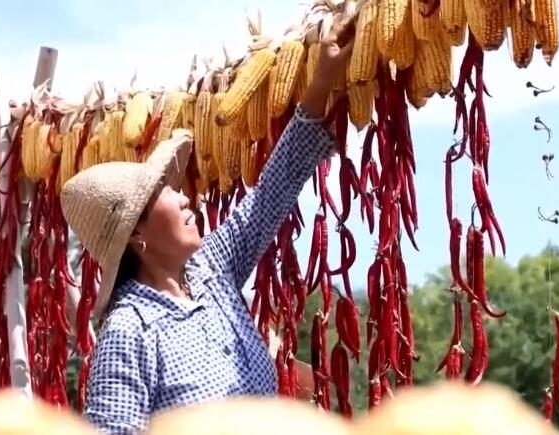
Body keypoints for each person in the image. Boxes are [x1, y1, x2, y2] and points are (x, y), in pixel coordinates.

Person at [60, 16, 356, 435]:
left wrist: (322, 82)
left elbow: (272, 193)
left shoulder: (211, 271)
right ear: (136, 232)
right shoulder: (131, 332)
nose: (184, 197)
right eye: (165, 192)